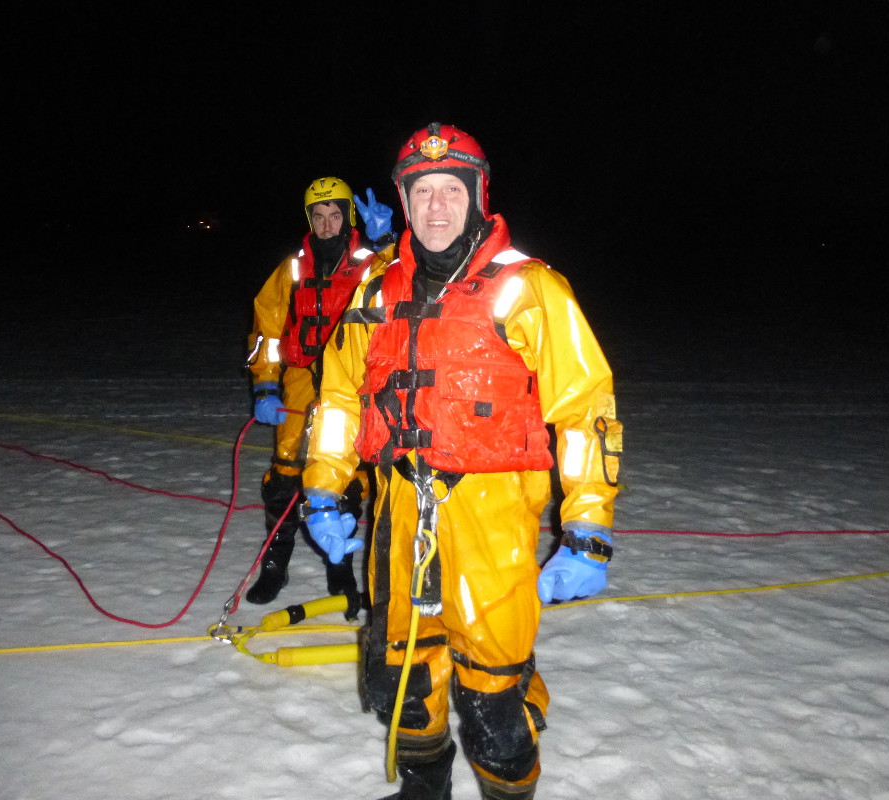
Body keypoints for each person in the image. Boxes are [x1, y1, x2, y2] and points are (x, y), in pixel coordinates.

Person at [300, 123, 622, 800]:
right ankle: (425, 790)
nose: (437, 206)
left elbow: (585, 409)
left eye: (453, 189)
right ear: (404, 200)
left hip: (492, 523)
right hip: (398, 517)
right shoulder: (374, 294)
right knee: (405, 684)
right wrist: (324, 488)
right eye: (423, 192)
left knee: (491, 703)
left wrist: (587, 526)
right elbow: (336, 401)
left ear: (479, 196)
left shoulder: (530, 290)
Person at [244, 176, 393, 620]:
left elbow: (408, 281)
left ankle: (339, 563)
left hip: (350, 383)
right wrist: (265, 384)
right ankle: (276, 564)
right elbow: (267, 330)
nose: (327, 225)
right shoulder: (292, 269)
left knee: (342, 472)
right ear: (309, 221)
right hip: (300, 381)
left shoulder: (373, 262)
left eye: (336, 215)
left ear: (349, 218)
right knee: (287, 472)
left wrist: (386, 241)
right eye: (318, 217)